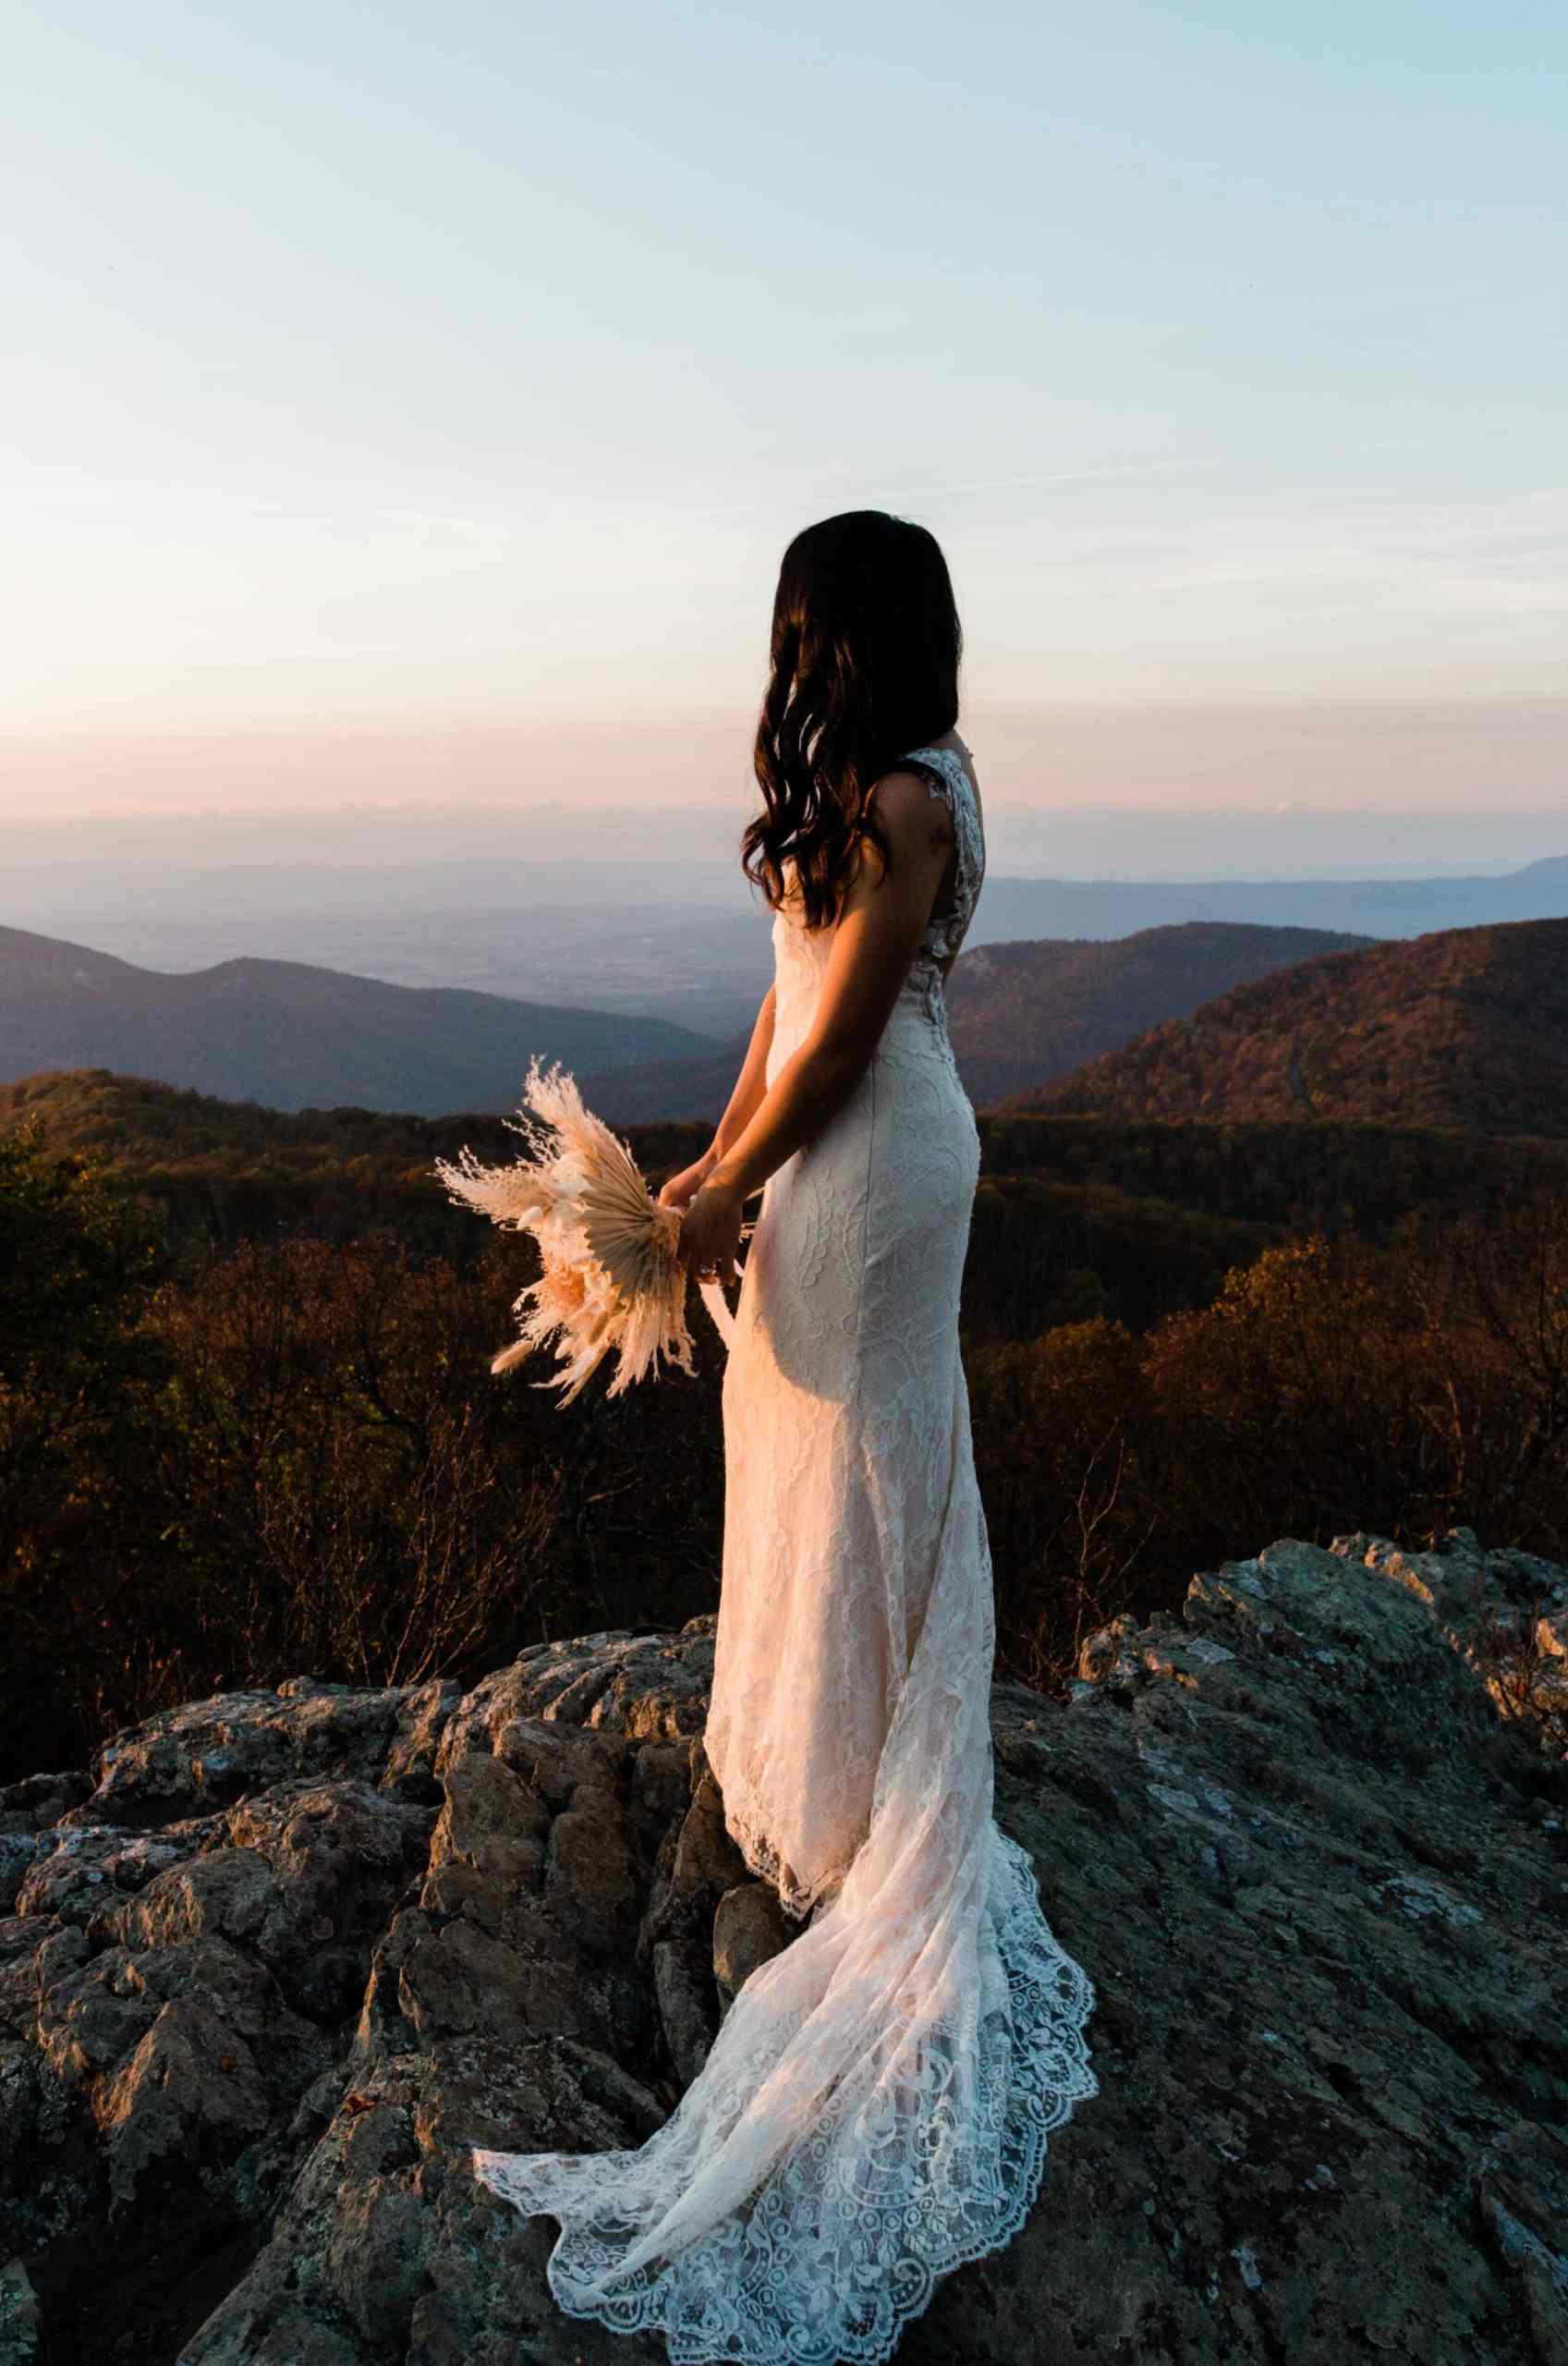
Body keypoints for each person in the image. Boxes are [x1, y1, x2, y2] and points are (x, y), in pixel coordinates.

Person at [471, 509, 1098, 2364]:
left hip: (885, 1164)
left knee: (875, 1434)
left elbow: (842, 1048)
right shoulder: (844, 797)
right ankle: (819, 1757)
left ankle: (877, 1793)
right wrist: (703, 1163)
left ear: (839, 635)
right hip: (802, 1152)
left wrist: (745, 1171)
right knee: (787, 1419)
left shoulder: (914, 797)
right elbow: (777, 1005)